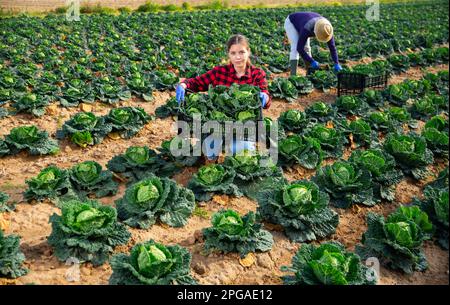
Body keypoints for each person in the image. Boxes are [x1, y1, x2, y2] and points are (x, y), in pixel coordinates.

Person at [175, 34, 271, 160]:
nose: (238, 57)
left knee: (241, 152)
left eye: (242, 52)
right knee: (210, 150)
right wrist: (183, 85)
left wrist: (265, 97)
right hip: (218, 127)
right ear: (228, 54)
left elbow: (266, 97)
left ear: (248, 52)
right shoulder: (219, 72)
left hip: (243, 129)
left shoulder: (257, 74)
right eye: (233, 53)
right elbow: (196, 83)